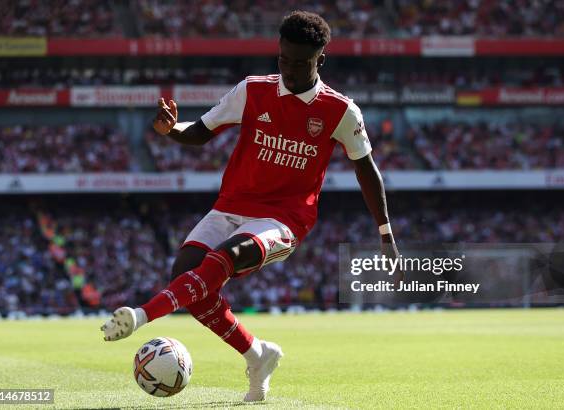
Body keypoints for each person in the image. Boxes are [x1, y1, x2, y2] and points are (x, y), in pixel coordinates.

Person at [101, 10, 400, 402]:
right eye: (283, 59)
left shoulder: (341, 111)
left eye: (300, 62)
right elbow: (200, 133)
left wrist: (386, 234)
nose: (289, 70)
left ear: (320, 60)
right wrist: (170, 129)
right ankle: (257, 355)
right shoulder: (252, 90)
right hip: (230, 207)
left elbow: (367, 170)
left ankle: (142, 315)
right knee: (187, 275)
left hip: (284, 220)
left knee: (220, 262)